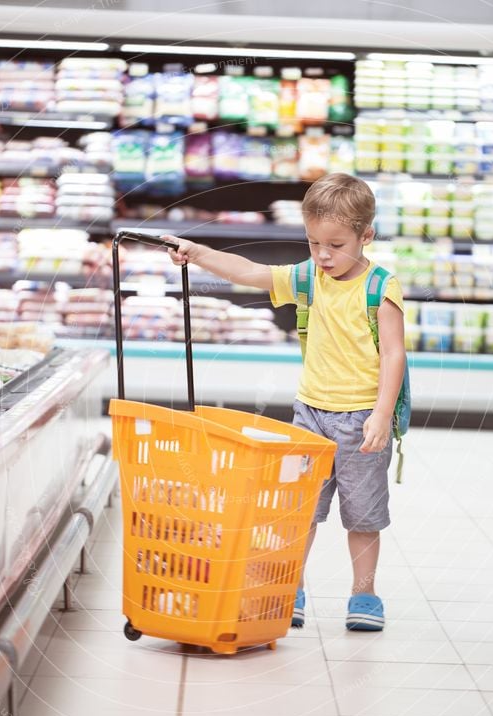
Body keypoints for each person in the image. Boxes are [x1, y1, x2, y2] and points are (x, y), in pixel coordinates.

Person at [163, 172, 406, 632]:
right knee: (299, 510)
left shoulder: (379, 289)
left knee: (363, 515)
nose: (323, 254)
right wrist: (198, 254)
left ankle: (365, 593)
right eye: (314, 242)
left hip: (360, 421)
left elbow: (394, 354)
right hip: (309, 415)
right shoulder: (307, 277)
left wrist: (380, 414)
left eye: (335, 244)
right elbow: (251, 273)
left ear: (366, 236)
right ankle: (288, 585)